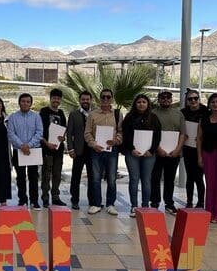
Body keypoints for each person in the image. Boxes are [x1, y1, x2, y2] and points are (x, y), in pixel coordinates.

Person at [84, 88, 122, 216]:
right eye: (103, 97)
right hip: (96, 150)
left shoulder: (117, 114)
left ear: (112, 99)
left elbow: (121, 132)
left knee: (111, 178)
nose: (106, 99)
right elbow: (87, 133)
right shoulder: (92, 114)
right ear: (100, 99)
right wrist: (93, 144)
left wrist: (116, 140)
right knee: (95, 178)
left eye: (108, 97)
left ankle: (110, 204)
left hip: (112, 150)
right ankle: (96, 204)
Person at [122, 93, 162, 218]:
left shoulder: (153, 118)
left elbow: (157, 136)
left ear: (147, 104)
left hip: (149, 154)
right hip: (132, 153)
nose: (141, 104)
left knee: (146, 180)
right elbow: (126, 135)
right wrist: (131, 149)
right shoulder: (129, 117)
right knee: (134, 179)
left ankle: (145, 206)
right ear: (135, 104)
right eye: (139, 102)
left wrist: (152, 150)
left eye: (144, 102)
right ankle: (134, 206)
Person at [150, 90, 185, 214]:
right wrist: (158, 149)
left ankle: (169, 203)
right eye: (163, 97)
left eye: (168, 97)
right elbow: (151, 133)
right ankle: (154, 202)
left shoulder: (178, 114)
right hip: (157, 152)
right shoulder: (153, 113)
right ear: (159, 99)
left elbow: (182, 134)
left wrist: (177, 150)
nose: (165, 99)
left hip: (173, 153)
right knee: (155, 178)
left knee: (170, 179)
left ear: (171, 99)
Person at [7, 93, 43, 210]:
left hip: (33, 150)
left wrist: (29, 145)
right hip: (19, 151)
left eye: (28, 101)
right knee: (20, 177)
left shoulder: (36, 117)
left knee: (33, 176)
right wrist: (22, 145)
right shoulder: (13, 117)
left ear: (31, 103)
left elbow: (39, 132)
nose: (25, 103)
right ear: (19, 103)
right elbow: (11, 133)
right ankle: (22, 200)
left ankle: (34, 201)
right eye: (23, 101)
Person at [197, 92, 217, 224]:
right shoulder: (204, 119)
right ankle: (209, 212)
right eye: (213, 102)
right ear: (209, 104)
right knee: (210, 184)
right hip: (207, 153)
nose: (215, 104)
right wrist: (199, 156)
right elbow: (199, 139)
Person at [66, 90, 94, 210]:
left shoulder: (95, 114)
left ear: (91, 100)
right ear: (79, 100)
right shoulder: (74, 114)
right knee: (76, 177)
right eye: (83, 99)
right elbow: (69, 133)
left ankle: (93, 201)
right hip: (78, 150)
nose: (85, 101)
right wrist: (70, 148)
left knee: (93, 177)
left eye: (87, 99)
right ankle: (74, 200)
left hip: (93, 151)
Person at [39, 88, 67, 207]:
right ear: (50, 99)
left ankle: (55, 197)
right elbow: (39, 131)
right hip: (47, 149)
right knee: (46, 174)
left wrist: (63, 137)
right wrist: (47, 143)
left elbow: (64, 130)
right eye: (54, 98)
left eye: (58, 98)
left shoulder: (61, 113)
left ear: (60, 100)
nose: (56, 100)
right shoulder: (44, 111)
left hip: (58, 150)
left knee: (57, 175)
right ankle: (45, 197)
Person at [181, 89, 208, 208]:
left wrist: (203, 137)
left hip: (200, 148)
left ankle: (201, 202)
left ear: (199, 99)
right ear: (187, 101)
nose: (193, 101)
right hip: (188, 148)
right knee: (190, 177)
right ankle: (189, 201)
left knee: (199, 177)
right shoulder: (183, 113)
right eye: (190, 99)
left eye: (195, 98)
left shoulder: (206, 111)